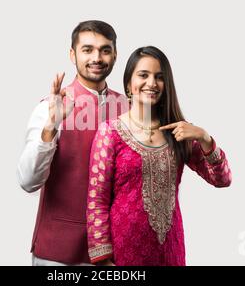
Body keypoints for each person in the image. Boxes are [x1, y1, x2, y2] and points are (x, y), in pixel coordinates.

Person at [86, 46, 232, 266]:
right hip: (124, 255)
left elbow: (222, 179)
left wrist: (204, 138)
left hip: (171, 252)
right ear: (128, 85)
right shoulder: (110, 133)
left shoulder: (179, 132)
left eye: (159, 77)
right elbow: (97, 201)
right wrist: (103, 262)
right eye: (143, 75)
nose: (152, 83)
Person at [17, 20, 127, 265]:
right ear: (72, 54)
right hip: (58, 253)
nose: (96, 57)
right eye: (87, 49)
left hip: (114, 251)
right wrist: (51, 126)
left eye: (105, 50)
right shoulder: (50, 106)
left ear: (115, 55)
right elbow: (27, 181)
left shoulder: (129, 109)